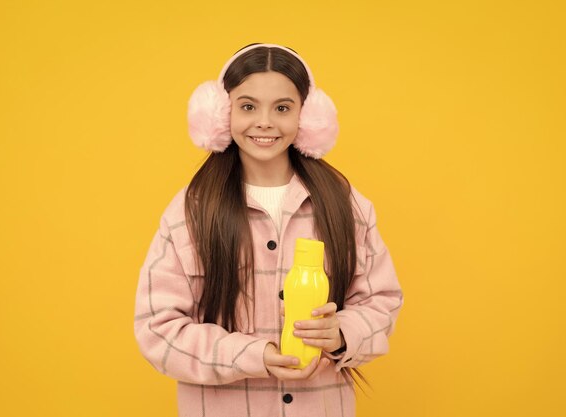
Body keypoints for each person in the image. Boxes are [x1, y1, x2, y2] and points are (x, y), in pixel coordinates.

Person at [133, 43, 403, 417]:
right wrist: (251, 355)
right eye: (247, 106)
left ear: (307, 117)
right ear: (219, 114)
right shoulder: (191, 210)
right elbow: (157, 328)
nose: (265, 122)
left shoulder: (346, 204)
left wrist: (342, 332)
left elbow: (381, 301)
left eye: (282, 108)